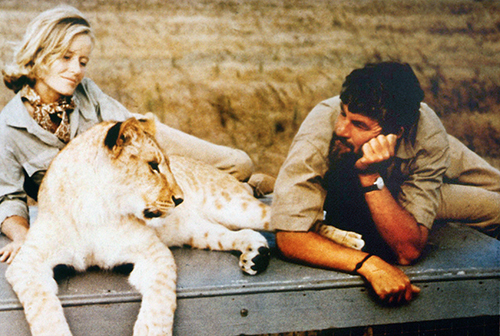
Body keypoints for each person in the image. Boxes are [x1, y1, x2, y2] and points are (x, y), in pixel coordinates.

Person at [0, 5, 272, 264]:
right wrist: (24, 237)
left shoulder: (87, 91)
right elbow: (7, 199)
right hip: (99, 209)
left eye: (83, 61)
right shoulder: (8, 127)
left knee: (240, 164)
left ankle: (250, 186)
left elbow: (134, 130)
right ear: (39, 53)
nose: (76, 71)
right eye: (66, 58)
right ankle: (246, 191)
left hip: (139, 138)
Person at [271, 61, 500, 304]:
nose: (341, 128)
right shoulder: (322, 128)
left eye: (359, 125)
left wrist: (370, 176)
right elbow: (288, 236)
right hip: (378, 190)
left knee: (494, 185)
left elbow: (406, 250)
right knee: (494, 207)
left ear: (396, 132)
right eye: (343, 112)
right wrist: (368, 265)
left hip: (416, 160)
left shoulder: (428, 134)